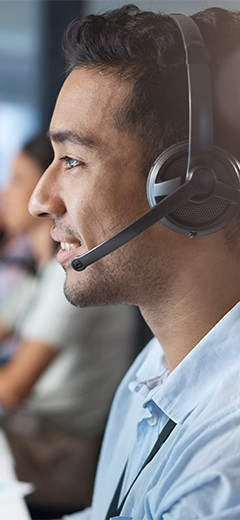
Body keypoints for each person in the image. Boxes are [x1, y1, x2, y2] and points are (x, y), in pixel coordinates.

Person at [29, 4, 240, 520]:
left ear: (193, 188)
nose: (40, 200)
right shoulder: (157, 369)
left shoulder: (221, 476)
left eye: (73, 161)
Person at [0, 133, 137, 518]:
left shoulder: (74, 277)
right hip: (34, 429)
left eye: (15, 180)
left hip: (59, 450)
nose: (8, 195)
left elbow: (12, 389)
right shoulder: (42, 268)